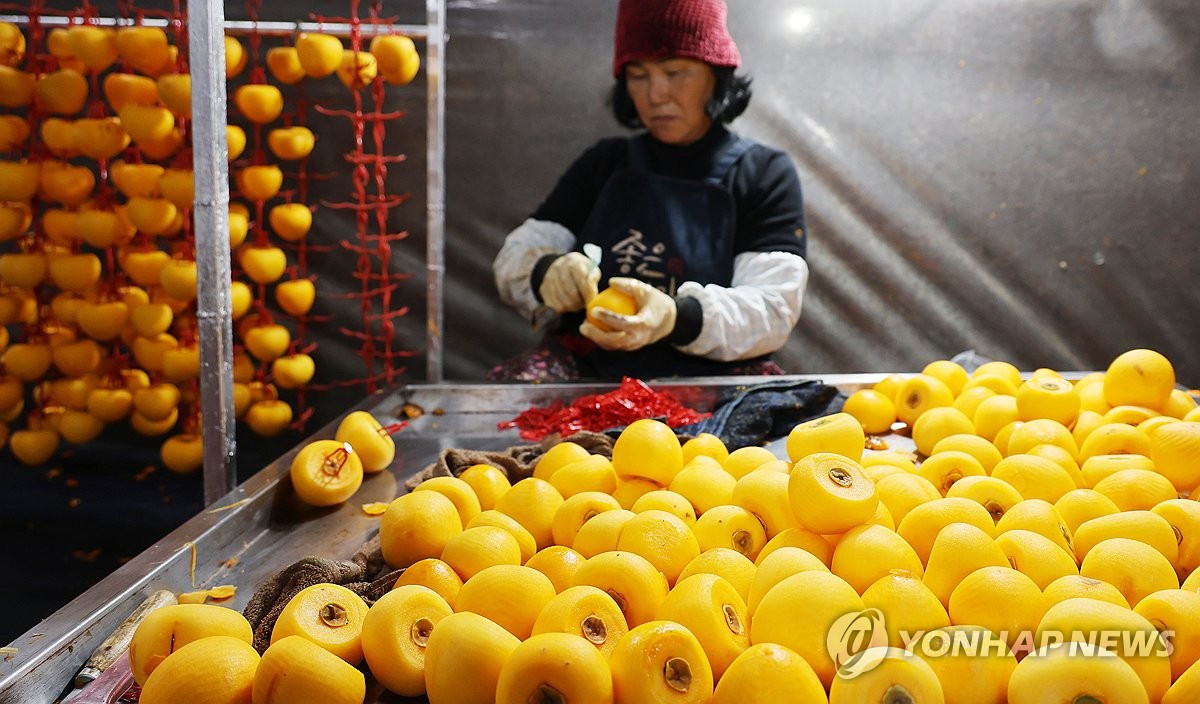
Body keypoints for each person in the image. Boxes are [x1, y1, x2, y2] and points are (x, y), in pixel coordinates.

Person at [491, 0, 809, 381]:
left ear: (716, 74)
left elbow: (773, 309)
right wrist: (546, 272)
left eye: (675, 72)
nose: (656, 94)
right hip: (593, 379)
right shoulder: (604, 164)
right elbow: (513, 259)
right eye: (638, 75)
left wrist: (675, 317)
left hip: (709, 382)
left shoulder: (763, 173)